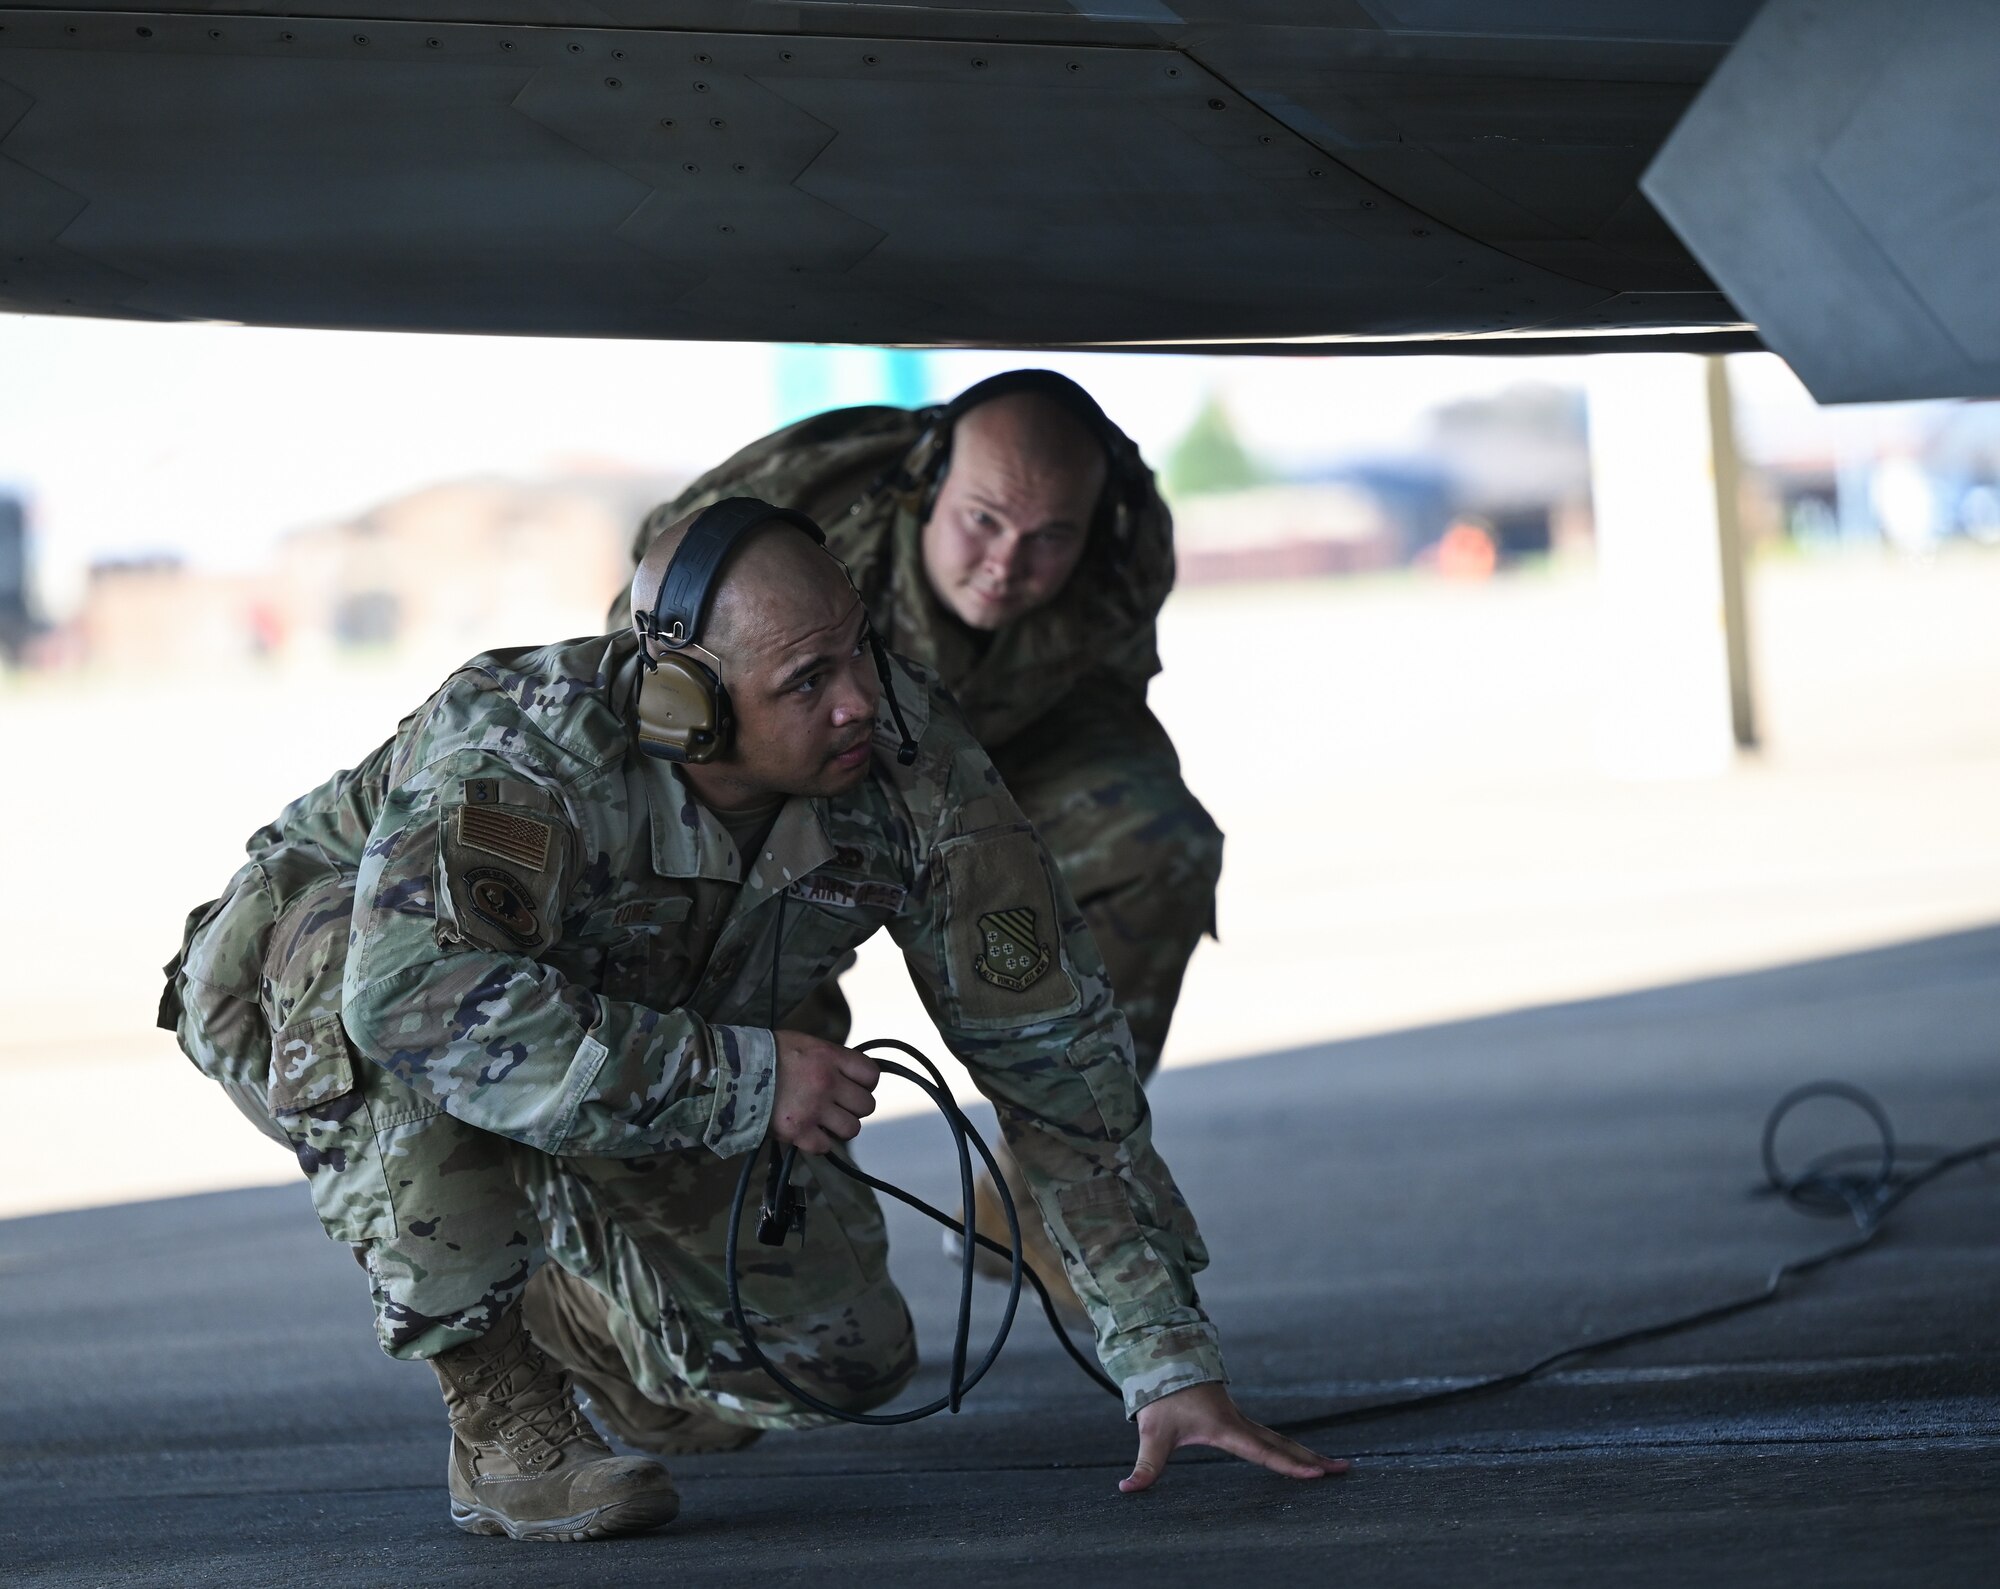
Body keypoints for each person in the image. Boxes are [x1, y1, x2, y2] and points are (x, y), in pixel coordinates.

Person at [162, 497, 1342, 1544]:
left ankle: (559, 1285)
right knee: (362, 979)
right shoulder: (524, 747)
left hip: (636, 1040)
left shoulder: (904, 757)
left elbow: (1048, 1051)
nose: (857, 702)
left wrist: (1164, 1358)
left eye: (859, 654)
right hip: (326, 1011)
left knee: (823, 1363)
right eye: (805, 681)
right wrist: (740, 1079)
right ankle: (500, 1416)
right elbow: (413, 998)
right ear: (685, 704)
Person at [614, 372, 1221, 1308]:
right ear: (929, 487)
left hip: (1000, 739)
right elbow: (665, 705)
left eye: (1048, 536)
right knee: (797, 1318)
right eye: (983, 520)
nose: (1007, 562)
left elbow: (1112, 706)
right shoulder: (806, 537)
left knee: (1155, 839)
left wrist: (1000, 875)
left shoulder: (1124, 549)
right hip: (792, 765)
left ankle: (1033, 1200)